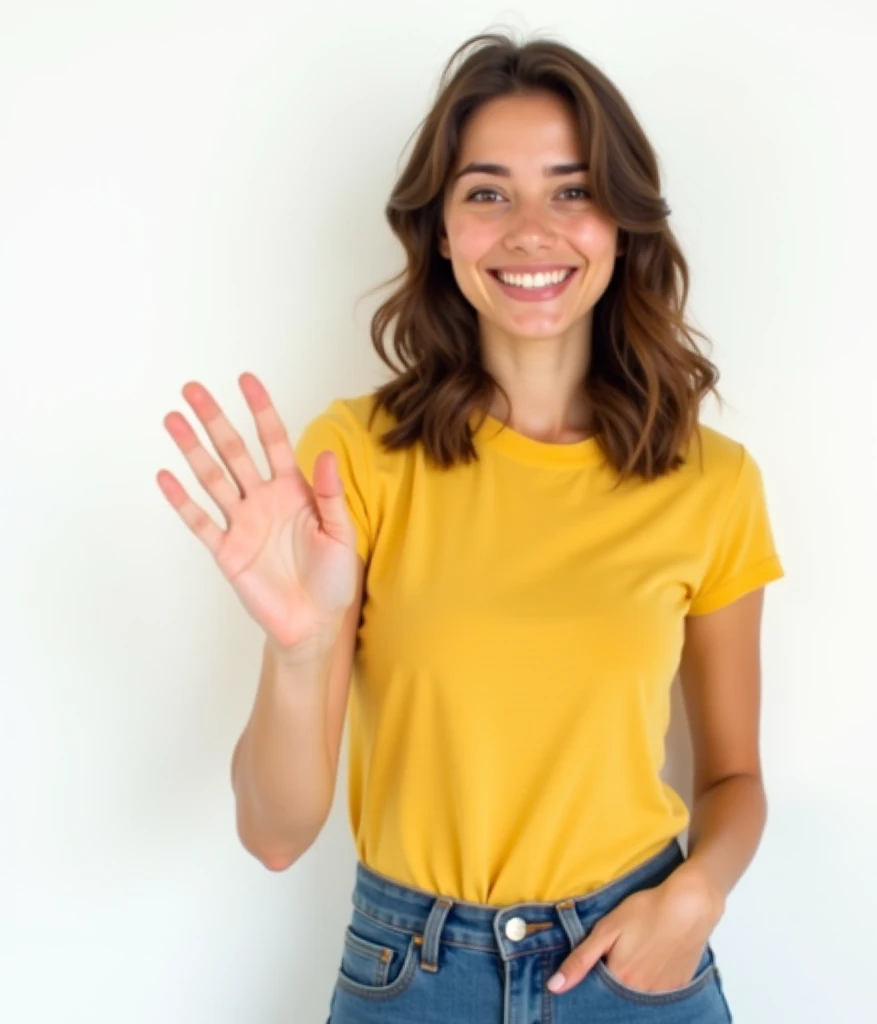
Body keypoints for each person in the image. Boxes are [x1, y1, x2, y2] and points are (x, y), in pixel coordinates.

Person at [157, 31, 784, 1024]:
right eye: (487, 193)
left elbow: (734, 776)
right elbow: (274, 836)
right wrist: (303, 649)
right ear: (441, 231)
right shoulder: (355, 455)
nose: (531, 230)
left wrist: (696, 895)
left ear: (621, 223)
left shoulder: (710, 481)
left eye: (571, 190)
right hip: (410, 973)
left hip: (635, 960)